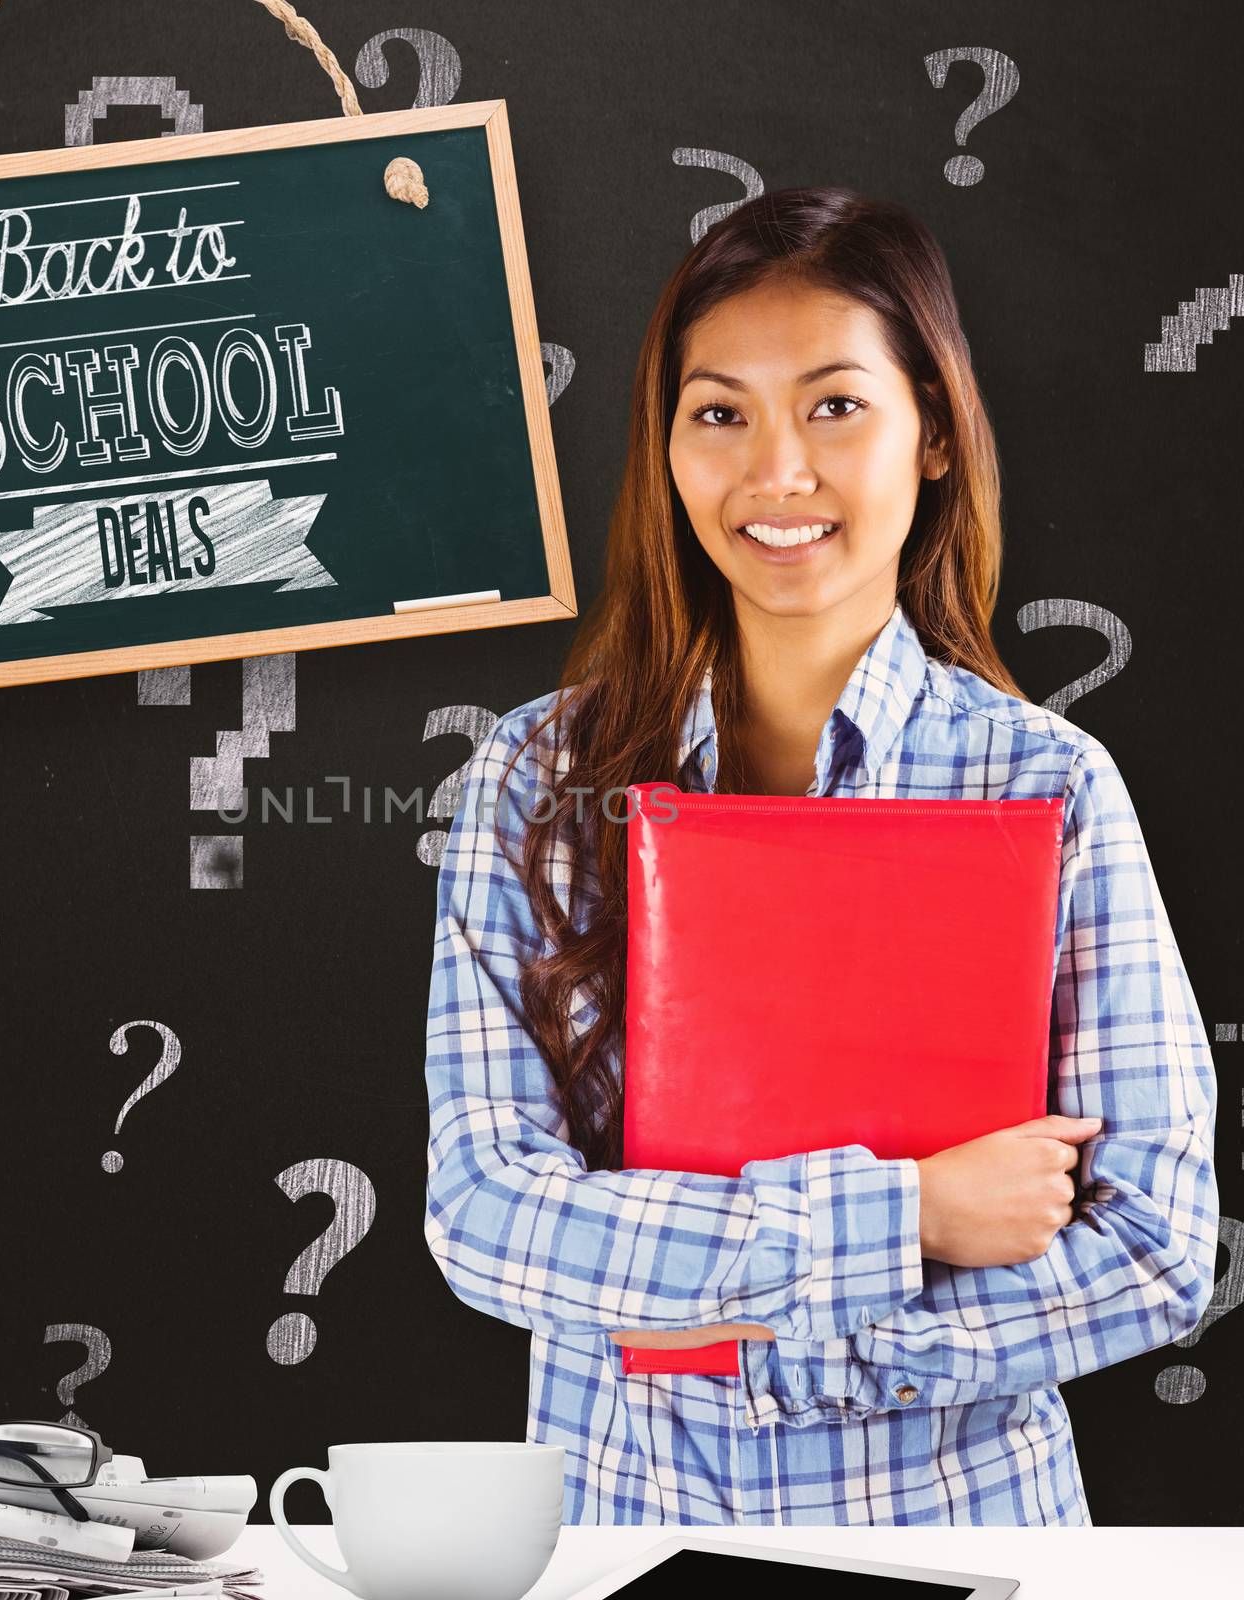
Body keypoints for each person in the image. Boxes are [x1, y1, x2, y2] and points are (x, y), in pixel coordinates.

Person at [421, 185, 1219, 1525]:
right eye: (720, 413)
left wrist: (771, 1335)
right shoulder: (537, 781)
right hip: (630, 1534)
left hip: (969, 1540)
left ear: (937, 439)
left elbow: (1154, 1245)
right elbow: (489, 1216)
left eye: (836, 405)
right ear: (666, 451)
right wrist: (903, 1218)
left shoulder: (1046, 786)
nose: (776, 472)